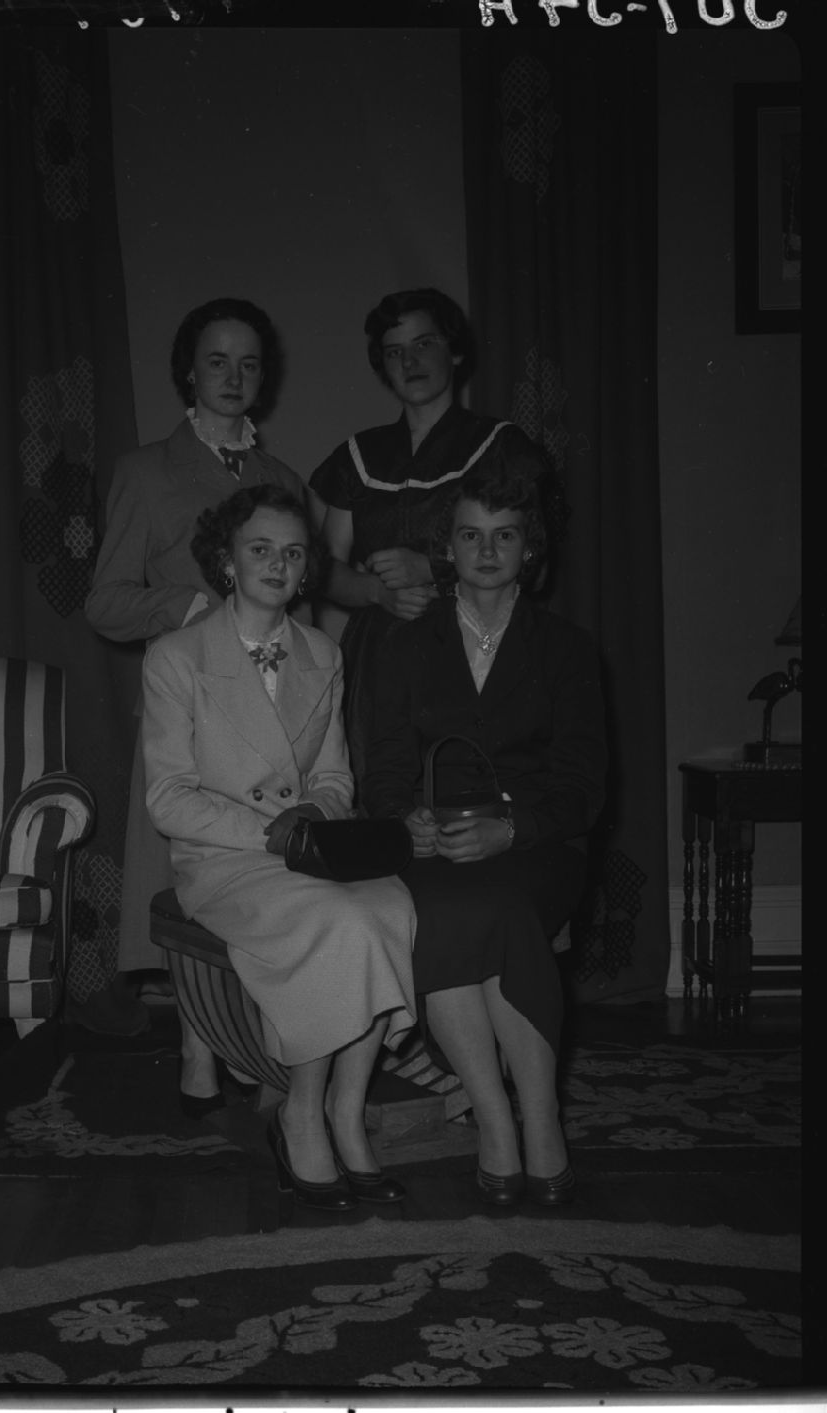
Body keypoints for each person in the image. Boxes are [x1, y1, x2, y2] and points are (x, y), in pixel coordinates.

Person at [142, 484, 417, 1212]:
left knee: (390, 905)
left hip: (306, 849)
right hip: (223, 859)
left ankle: (344, 1115)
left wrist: (312, 814)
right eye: (260, 548)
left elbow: (335, 777)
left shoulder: (322, 653)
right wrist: (269, 831)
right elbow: (168, 798)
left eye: (293, 553)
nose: (277, 564)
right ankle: (301, 1111)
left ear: (306, 571)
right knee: (343, 920)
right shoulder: (175, 657)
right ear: (226, 560)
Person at [361, 449, 606, 1207]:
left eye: (505, 535)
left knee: (498, 905)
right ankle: (496, 1115)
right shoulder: (404, 645)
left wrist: (512, 830)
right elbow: (384, 769)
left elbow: (584, 791)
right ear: (448, 547)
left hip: (536, 846)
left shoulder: (567, 649)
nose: (488, 550)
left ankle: (542, 1114)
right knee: (439, 907)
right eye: (471, 534)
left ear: (530, 547)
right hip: (436, 846)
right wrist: (404, 820)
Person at [85, 297, 308, 1113]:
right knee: (189, 879)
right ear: (188, 370)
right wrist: (185, 607)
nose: (233, 377)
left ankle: (248, 1037)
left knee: (260, 876)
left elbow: (301, 609)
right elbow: (106, 601)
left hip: (268, 714)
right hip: (187, 709)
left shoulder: (285, 481)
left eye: (249, 363)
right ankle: (195, 1044)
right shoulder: (145, 471)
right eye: (217, 360)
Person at [308, 287, 562, 797]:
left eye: (424, 344)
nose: (410, 362)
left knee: (468, 792)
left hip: (472, 647)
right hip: (378, 659)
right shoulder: (359, 455)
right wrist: (377, 591)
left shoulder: (501, 446)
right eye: (394, 352)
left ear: (456, 350)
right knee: (381, 792)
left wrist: (432, 568)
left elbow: (537, 565)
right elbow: (323, 569)